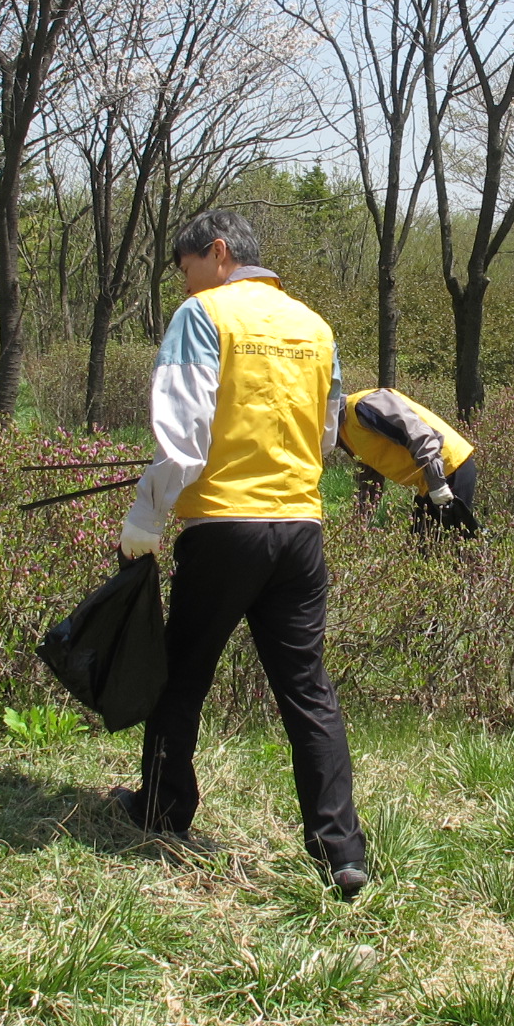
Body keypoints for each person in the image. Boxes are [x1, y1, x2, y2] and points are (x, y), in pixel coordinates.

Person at [114, 209, 370, 895]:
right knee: (307, 688)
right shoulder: (314, 326)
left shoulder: (204, 316)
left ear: (218, 253)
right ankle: (341, 852)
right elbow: (325, 432)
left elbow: (184, 431)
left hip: (224, 526)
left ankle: (162, 811)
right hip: (301, 529)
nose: (184, 284)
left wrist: (147, 510)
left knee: (183, 675)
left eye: (187, 267)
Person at [337, 385, 480, 537]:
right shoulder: (343, 432)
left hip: (449, 467)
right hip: (429, 481)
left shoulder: (366, 404)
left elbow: (421, 437)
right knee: (422, 547)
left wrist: (437, 485)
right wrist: (361, 518)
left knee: (452, 546)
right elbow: (370, 472)